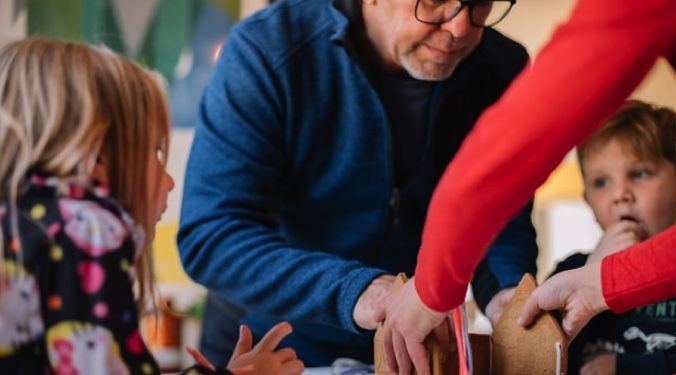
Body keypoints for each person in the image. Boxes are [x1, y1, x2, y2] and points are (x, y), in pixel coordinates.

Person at [177, 0, 539, 368]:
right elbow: (212, 235)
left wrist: (509, 293)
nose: (461, 28)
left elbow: (500, 217)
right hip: (273, 353)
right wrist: (361, 291)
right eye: (433, 1)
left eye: (480, 3)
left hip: (413, 358)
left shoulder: (502, 68)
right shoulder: (267, 51)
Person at [377, 0, 676, 373]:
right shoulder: (576, 270)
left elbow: (512, 150)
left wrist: (431, 288)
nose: (460, 27)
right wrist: (604, 278)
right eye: (600, 181)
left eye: (481, 4)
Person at [0, 37, 303, 375]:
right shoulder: (84, 231)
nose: (170, 181)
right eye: (156, 152)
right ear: (96, 153)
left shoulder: (21, 224)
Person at [548, 101, 676, 374]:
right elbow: (543, 358)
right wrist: (593, 270)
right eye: (601, 182)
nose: (620, 194)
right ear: (588, 201)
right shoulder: (569, 273)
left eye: (639, 174)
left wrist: (627, 368)